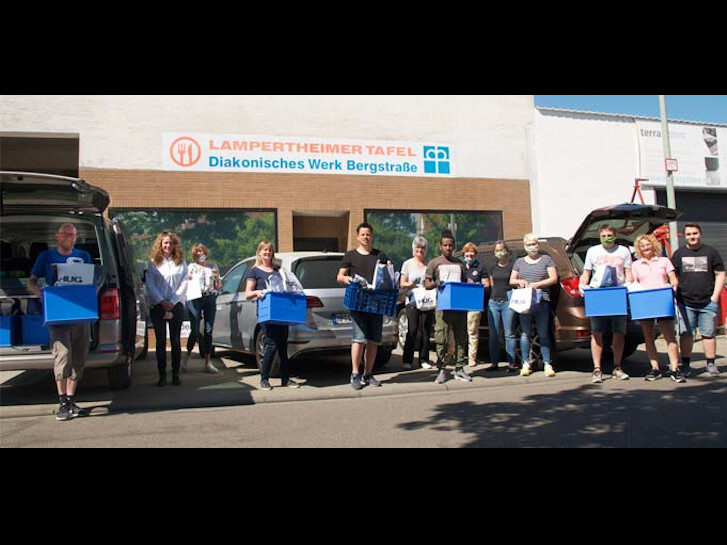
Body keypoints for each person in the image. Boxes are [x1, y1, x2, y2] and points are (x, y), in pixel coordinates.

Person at [27, 223, 93, 421]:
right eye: (65, 234)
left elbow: (90, 281)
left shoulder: (84, 256)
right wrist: (40, 293)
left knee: (79, 357)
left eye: (72, 235)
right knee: (63, 355)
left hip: (81, 314)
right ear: (57, 236)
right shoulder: (46, 257)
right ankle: (62, 402)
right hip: (58, 315)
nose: (69, 238)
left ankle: (72, 399)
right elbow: (32, 280)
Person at [337, 222, 389, 390]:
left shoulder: (380, 255)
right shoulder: (350, 255)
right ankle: (355, 374)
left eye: (369, 234)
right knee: (359, 339)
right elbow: (340, 276)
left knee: (373, 341)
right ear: (358, 236)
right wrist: (348, 280)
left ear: (371, 236)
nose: (366, 237)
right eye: (363, 234)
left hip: (376, 302)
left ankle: (368, 374)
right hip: (358, 302)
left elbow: (388, 274)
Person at [578, 224, 633, 384]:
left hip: (618, 293)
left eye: (609, 235)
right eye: (603, 235)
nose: (606, 238)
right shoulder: (593, 251)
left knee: (619, 331)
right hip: (598, 294)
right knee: (596, 332)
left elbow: (629, 273)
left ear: (614, 235)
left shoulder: (623, 251)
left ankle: (617, 366)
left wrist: (628, 284)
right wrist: (583, 285)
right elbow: (586, 273)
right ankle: (597, 369)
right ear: (599, 236)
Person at [244, 240, 299, 390]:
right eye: (264, 250)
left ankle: (285, 379)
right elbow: (247, 293)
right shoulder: (254, 271)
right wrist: (258, 292)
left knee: (282, 346)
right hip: (266, 312)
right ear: (259, 253)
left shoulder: (278, 270)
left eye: (269, 250)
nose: (267, 253)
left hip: (281, 311)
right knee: (271, 344)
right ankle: (264, 378)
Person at [671, 223, 725, 377]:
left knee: (708, 334)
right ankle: (686, 365)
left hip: (707, 302)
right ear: (684, 236)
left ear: (700, 234)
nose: (692, 236)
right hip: (685, 302)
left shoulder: (711, 252)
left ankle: (710, 364)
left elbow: (720, 274)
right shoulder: (678, 254)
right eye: (688, 234)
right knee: (686, 334)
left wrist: (715, 296)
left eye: (695, 233)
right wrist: (674, 295)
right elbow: (672, 275)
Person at [631, 234, 685, 382]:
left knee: (669, 336)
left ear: (653, 245)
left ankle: (675, 368)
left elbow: (673, 280)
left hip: (662, 301)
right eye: (642, 246)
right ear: (639, 249)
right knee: (648, 337)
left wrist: (672, 288)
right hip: (644, 302)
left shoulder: (664, 261)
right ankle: (655, 368)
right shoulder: (635, 265)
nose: (646, 248)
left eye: (648, 245)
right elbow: (633, 283)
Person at [423, 229, 473, 384]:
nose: (448, 248)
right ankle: (442, 369)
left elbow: (465, 283)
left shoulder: (460, 264)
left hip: (459, 306)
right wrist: (436, 284)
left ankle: (459, 368)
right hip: (442, 307)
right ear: (440, 246)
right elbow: (426, 284)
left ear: (454, 246)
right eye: (445, 245)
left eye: (451, 245)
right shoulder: (434, 263)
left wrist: (471, 285)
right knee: (441, 338)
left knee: (461, 338)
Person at [510, 233, 558, 378]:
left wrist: (538, 284)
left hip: (541, 300)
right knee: (525, 333)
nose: (532, 246)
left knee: (543, 333)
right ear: (524, 246)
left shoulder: (546, 259)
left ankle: (547, 363)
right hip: (525, 301)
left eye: (534, 243)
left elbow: (553, 278)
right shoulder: (519, 262)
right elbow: (512, 280)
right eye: (529, 244)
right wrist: (520, 282)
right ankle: (525, 363)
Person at [146, 231, 188, 387]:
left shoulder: (181, 262)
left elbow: (184, 283)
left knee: (176, 341)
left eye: (170, 243)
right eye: (165, 243)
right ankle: (162, 375)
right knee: (161, 341)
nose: (168, 246)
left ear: (174, 245)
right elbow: (150, 285)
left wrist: (173, 301)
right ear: (160, 244)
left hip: (176, 305)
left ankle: (175, 374)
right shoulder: (153, 263)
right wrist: (162, 301)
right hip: (158, 306)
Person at [182, 243, 222, 374]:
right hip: (195, 298)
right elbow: (185, 282)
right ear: (194, 255)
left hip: (209, 297)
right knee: (194, 330)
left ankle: (208, 362)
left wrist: (216, 277)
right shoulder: (191, 267)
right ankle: (186, 359)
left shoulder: (213, 266)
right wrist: (188, 278)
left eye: (202, 252)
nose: (200, 254)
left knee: (208, 330)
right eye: (197, 253)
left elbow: (218, 287)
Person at [399, 236, 434, 370]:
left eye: (422, 248)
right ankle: (407, 359)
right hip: (412, 300)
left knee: (425, 329)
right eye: (418, 248)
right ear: (414, 249)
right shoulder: (407, 264)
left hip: (427, 299)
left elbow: (433, 280)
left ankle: (424, 359)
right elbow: (402, 283)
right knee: (412, 329)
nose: (420, 250)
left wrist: (429, 284)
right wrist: (410, 284)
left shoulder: (429, 264)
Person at [486, 240, 517, 372]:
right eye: (497, 250)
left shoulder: (512, 266)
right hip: (493, 302)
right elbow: (491, 283)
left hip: (507, 301)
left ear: (506, 251)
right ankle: (494, 363)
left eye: (501, 250)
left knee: (509, 334)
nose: (499, 252)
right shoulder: (492, 267)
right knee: (493, 334)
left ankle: (511, 363)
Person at [462, 242, 490, 367]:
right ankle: (458, 356)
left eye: (472, 255)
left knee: (472, 331)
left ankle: (472, 358)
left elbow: (487, 284)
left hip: (474, 302)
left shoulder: (481, 267)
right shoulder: (460, 266)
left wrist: (476, 284)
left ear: (476, 255)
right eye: (467, 255)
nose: (469, 257)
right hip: (460, 303)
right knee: (459, 331)